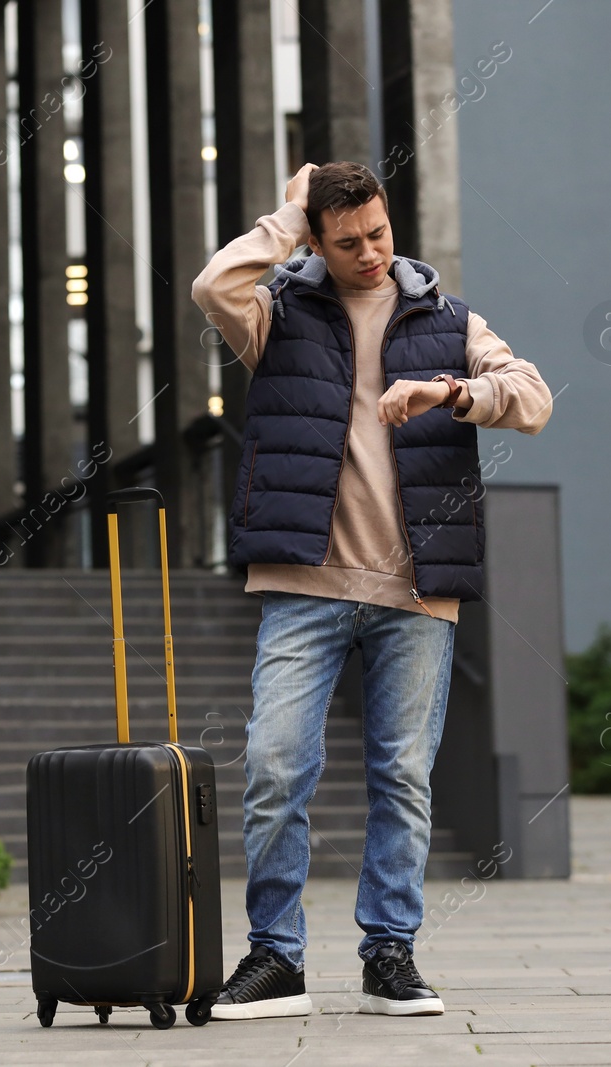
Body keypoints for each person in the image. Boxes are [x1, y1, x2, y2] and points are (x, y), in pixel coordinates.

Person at [190, 161, 553, 1020]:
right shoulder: (274, 315)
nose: (369, 253)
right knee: (277, 767)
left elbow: (533, 397)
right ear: (316, 238)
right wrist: (283, 216)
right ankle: (276, 956)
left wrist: (450, 391)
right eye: (347, 241)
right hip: (304, 583)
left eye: (379, 234)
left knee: (403, 778)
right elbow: (213, 282)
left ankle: (389, 951)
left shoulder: (449, 319)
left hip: (416, 591)